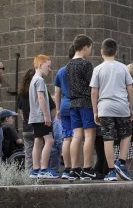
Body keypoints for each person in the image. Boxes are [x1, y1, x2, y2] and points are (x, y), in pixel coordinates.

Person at [90, 38, 133, 181]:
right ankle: (121, 162)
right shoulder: (123, 68)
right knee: (126, 134)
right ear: (117, 51)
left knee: (108, 138)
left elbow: (94, 92)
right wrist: (130, 107)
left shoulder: (97, 69)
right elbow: (130, 89)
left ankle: (110, 172)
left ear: (101, 52)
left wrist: (95, 111)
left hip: (105, 107)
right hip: (122, 106)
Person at [67, 34, 97, 180]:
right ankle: (87, 168)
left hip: (73, 104)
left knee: (76, 136)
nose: (90, 51)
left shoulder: (68, 65)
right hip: (86, 103)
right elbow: (93, 86)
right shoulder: (86, 64)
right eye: (90, 48)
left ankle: (74, 169)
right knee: (89, 136)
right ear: (84, 48)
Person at [28, 54, 58, 179]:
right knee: (49, 140)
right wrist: (47, 116)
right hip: (41, 116)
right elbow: (41, 98)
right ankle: (44, 169)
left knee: (38, 141)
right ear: (40, 65)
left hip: (34, 117)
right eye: (48, 66)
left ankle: (35, 170)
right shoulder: (40, 80)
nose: (49, 69)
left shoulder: (33, 80)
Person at [54, 45, 75, 179]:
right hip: (77, 106)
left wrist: (57, 108)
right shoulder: (79, 68)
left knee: (67, 138)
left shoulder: (61, 71)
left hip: (64, 106)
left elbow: (57, 91)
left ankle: (67, 169)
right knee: (78, 138)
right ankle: (76, 168)